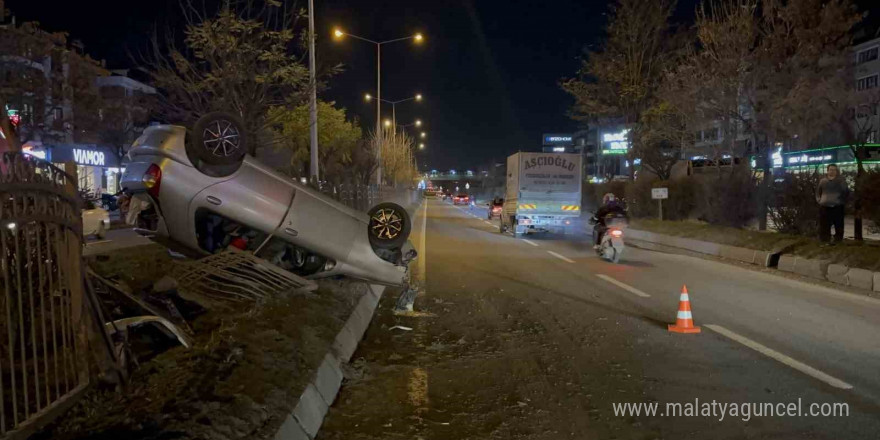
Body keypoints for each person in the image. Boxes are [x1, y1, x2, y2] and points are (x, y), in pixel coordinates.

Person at [816, 164, 849, 244]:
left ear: (836, 171)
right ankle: (825, 240)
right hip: (824, 206)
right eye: (831, 169)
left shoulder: (841, 181)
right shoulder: (823, 181)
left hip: (837, 206)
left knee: (839, 225)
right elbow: (818, 192)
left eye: (834, 170)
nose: (832, 171)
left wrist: (842, 201)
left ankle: (838, 241)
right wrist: (819, 200)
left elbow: (846, 192)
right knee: (824, 225)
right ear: (827, 170)